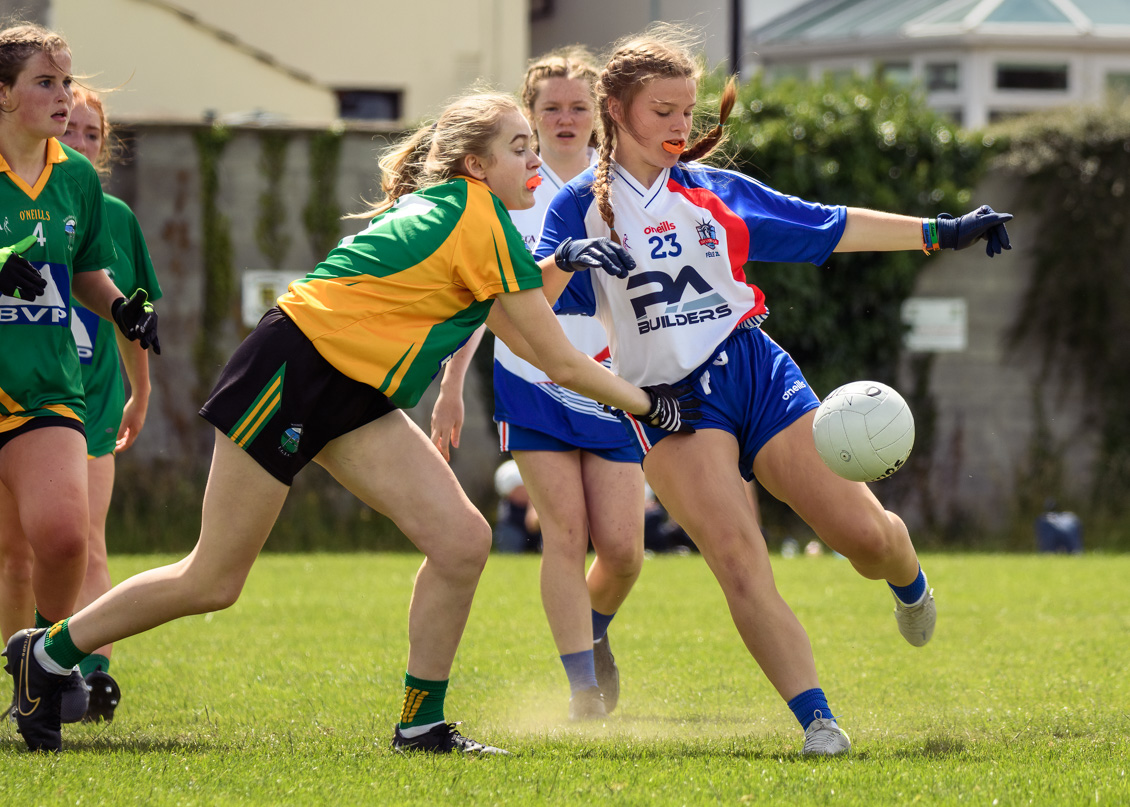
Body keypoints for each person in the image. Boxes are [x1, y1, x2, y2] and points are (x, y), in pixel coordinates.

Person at [3, 90, 698, 753]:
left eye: (535, 146)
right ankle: (50, 652)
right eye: (521, 148)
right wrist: (652, 404)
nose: (537, 162)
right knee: (212, 579)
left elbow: (518, 321)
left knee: (461, 540)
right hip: (293, 370)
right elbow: (554, 354)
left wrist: (556, 262)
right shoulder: (477, 218)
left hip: (347, 386)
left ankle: (420, 725)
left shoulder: (469, 213)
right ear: (476, 165)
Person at [526, 24, 1012, 755]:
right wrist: (563, 257)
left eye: (687, 111)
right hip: (671, 405)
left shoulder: (712, 191)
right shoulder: (578, 207)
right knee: (738, 556)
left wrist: (942, 230)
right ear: (617, 112)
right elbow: (526, 302)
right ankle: (818, 719)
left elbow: (827, 226)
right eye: (663, 112)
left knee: (864, 536)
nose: (680, 127)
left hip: (755, 369)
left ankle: (906, 575)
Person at [431, 48, 644, 721]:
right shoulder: (510, 187)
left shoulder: (625, 184)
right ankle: (582, 687)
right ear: (530, 115)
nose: (564, 118)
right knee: (565, 531)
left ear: (600, 114)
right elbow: (482, 299)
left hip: (610, 376)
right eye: (550, 107)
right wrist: (452, 382)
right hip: (531, 376)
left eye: (578, 106)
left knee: (624, 551)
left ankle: (594, 629)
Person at [0, 22, 158, 725]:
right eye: (45, 82)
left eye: (65, 81)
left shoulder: (73, 178)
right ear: (3, 94)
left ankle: (44, 663)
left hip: (48, 386)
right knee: (10, 551)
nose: (63, 96)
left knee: (64, 538)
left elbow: (87, 270)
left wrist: (124, 310)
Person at [492, 459, 541, 553]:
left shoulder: (536, 502)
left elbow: (534, 524)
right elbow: (531, 523)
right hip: (515, 532)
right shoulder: (507, 512)